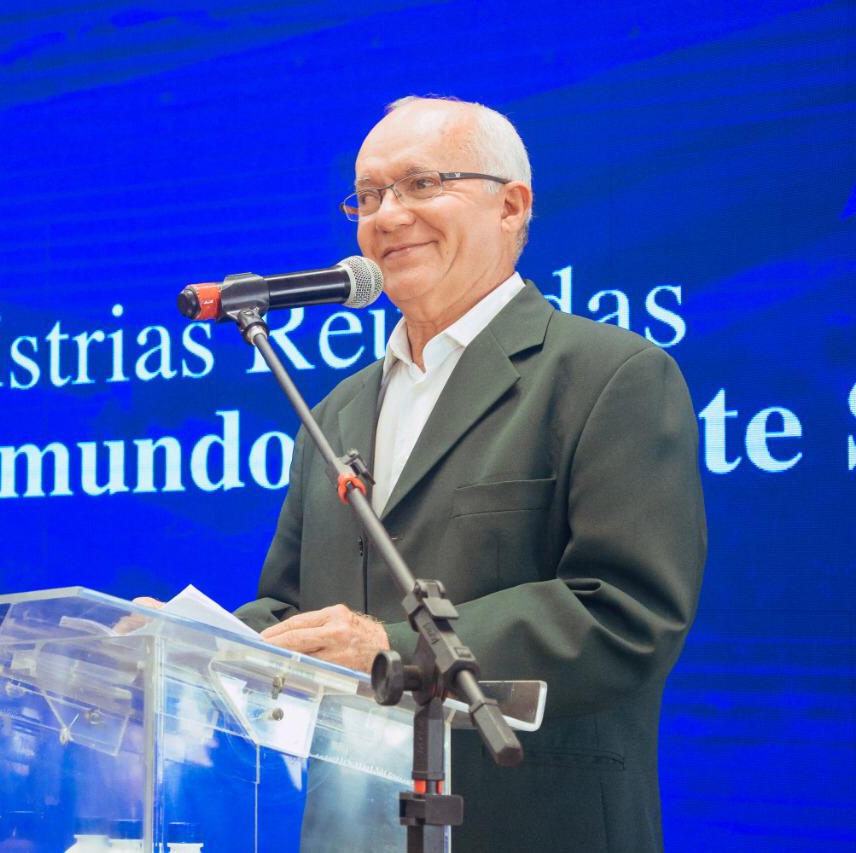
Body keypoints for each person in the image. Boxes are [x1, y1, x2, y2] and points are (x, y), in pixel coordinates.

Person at [230, 97, 707, 851]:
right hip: (352, 827)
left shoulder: (610, 375)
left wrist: (389, 648)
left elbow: (625, 612)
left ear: (511, 206)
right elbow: (293, 608)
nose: (388, 216)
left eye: (421, 184)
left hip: (533, 824)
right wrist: (192, 643)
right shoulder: (335, 410)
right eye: (369, 196)